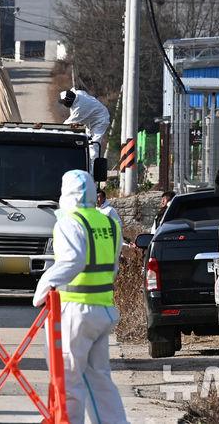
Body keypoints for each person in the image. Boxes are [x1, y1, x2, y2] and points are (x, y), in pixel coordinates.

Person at [34, 170, 127, 424]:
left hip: (76, 309)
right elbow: (114, 267)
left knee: (68, 378)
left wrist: (42, 289)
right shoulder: (109, 223)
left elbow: (72, 261)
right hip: (103, 308)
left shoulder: (69, 222)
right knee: (99, 379)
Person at [59, 89, 110, 158]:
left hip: (101, 120)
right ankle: (86, 158)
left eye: (64, 102)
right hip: (90, 120)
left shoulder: (79, 109)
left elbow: (67, 124)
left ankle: (93, 163)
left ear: (69, 100)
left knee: (94, 144)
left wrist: (56, 129)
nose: (64, 104)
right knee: (86, 141)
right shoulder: (78, 93)